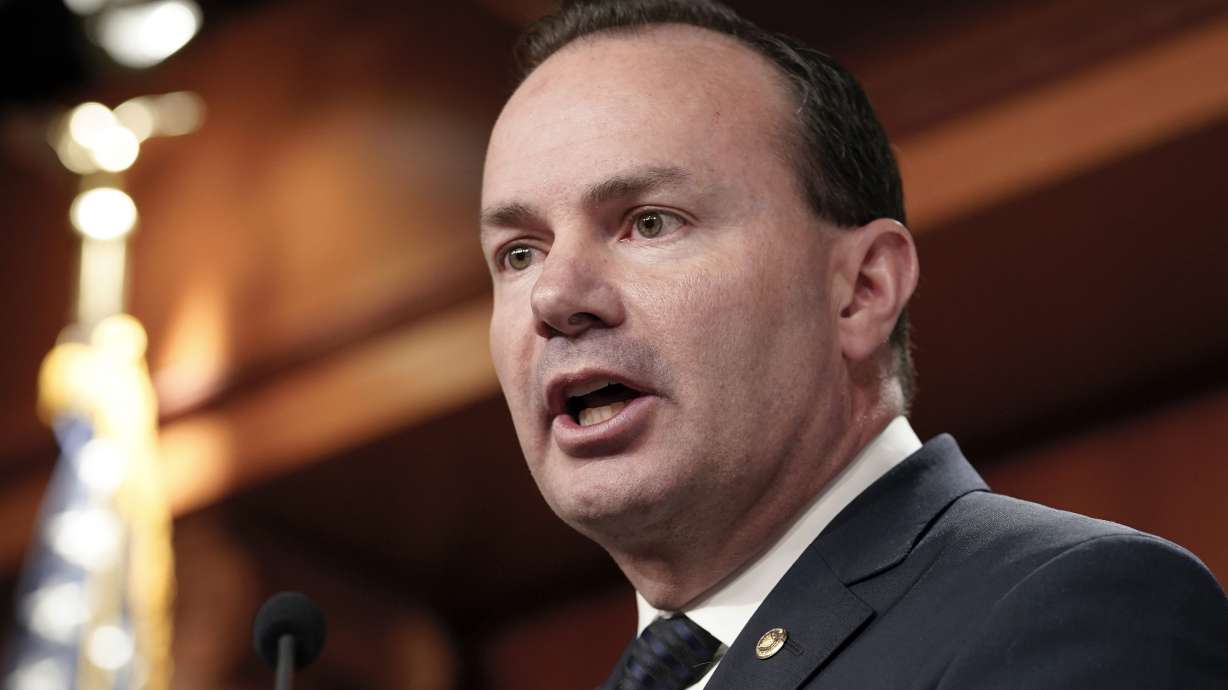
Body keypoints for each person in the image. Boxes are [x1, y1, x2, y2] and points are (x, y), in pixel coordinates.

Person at [478, 1, 1228, 688]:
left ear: (862, 290)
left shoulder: (1074, 606)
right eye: (519, 253)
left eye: (650, 221)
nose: (555, 296)